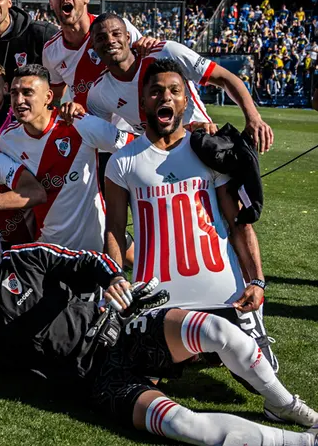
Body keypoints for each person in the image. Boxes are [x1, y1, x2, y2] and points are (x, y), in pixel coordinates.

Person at [0, 212, 318, 445]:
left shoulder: (29, 257)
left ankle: (283, 404)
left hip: (119, 329)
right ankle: (301, 443)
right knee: (185, 425)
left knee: (217, 331)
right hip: (95, 381)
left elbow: (89, 261)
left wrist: (113, 279)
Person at [104, 58, 278, 369]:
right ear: (142, 101)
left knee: (261, 376)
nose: (165, 97)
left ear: (187, 99)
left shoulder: (209, 150)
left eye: (174, 90)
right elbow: (115, 228)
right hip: (158, 298)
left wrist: (258, 281)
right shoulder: (121, 162)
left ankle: (245, 330)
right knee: (139, 370)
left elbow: (239, 223)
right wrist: (116, 277)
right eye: (156, 91)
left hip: (224, 293)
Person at [84, 13, 274, 152]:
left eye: (116, 34)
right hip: (157, 159)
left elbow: (225, 78)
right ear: (93, 46)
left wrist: (254, 118)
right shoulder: (98, 93)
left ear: (127, 37)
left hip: (203, 147)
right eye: (101, 38)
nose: (110, 41)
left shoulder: (167, 52)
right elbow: (103, 137)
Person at [0, 65, 134, 253]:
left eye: (28, 92)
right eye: (14, 93)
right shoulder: (7, 141)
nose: (19, 100)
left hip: (96, 247)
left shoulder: (80, 124)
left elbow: (134, 147)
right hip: (49, 251)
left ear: (48, 97)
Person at [42, 0, 144, 106]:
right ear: (51, 3)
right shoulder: (50, 51)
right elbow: (55, 96)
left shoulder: (118, 28)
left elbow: (148, 66)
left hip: (129, 124)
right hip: (89, 124)